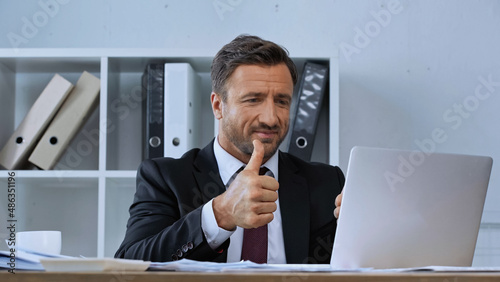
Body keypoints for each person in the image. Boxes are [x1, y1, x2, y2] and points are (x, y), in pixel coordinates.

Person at [115, 35, 345, 264]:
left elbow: (348, 268)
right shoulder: (164, 177)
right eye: (253, 100)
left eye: (282, 101)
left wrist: (366, 233)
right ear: (218, 106)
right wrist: (220, 213)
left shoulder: (326, 183)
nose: (270, 118)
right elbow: (131, 264)